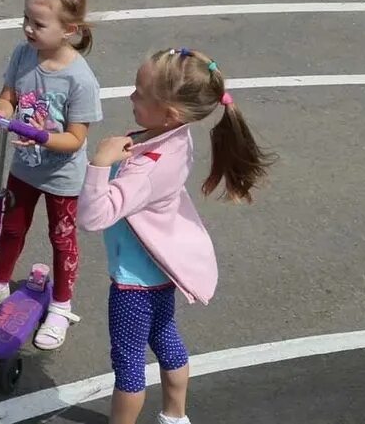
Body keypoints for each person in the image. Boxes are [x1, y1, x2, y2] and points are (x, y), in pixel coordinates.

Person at [77, 47, 277, 424]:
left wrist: (99, 164)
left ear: (169, 114)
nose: (131, 96)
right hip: (161, 272)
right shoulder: (175, 136)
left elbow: (93, 216)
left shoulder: (148, 170)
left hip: (133, 284)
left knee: (129, 364)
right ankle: (175, 415)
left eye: (139, 92)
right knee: (166, 340)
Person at [0, 0, 102, 351]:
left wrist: (41, 137)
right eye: (26, 20)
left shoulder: (79, 79)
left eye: (39, 24)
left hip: (62, 175)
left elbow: (77, 139)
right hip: (22, 167)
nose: (29, 30)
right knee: (9, 227)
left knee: (61, 238)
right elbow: (9, 96)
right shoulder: (23, 55)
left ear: (69, 30)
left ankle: (62, 307)